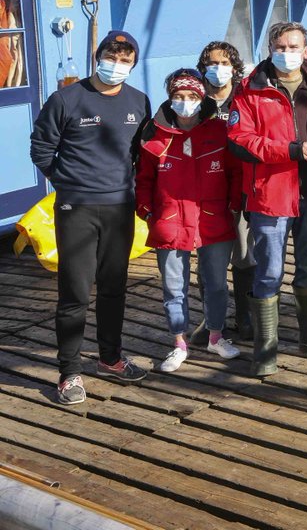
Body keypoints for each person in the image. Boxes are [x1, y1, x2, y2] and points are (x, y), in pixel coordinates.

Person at [30, 30, 151, 404]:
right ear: (98, 57)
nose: (116, 65)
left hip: (120, 208)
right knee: (75, 293)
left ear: (133, 63)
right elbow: (41, 149)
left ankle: (110, 358)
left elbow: (142, 153)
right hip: (77, 208)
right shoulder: (66, 98)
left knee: (114, 287)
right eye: (110, 56)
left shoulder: (139, 101)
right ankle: (69, 373)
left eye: (125, 59)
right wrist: (70, 183)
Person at [227, 21, 307, 376]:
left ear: (306, 47)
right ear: (270, 48)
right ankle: (265, 349)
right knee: (268, 271)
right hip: (271, 194)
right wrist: (289, 150)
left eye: (293, 46)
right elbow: (240, 140)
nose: (287, 53)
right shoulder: (250, 90)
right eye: (280, 47)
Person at [135, 69, 242, 372]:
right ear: (170, 99)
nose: (185, 102)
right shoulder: (154, 135)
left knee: (217, 283)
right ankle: (179, 342)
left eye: (192, 96)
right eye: (178, 97)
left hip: (213, 219)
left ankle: (216, 336)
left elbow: (234, 172)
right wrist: (146, 210)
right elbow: (143, 178)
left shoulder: (219, 131)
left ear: (201, 97)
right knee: (173, 286)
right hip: (170, 220)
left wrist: (233, 204)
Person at [194, 40, 254, 343]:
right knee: (208, 259)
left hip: (241, 189)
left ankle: (246, 316)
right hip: (205, 194)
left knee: (244, 254)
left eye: (224, 63)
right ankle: (211, 319)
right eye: (212, 63)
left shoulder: (245, 99)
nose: (218, 69)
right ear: (203, 67)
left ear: (234, 67)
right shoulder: (192, 101)